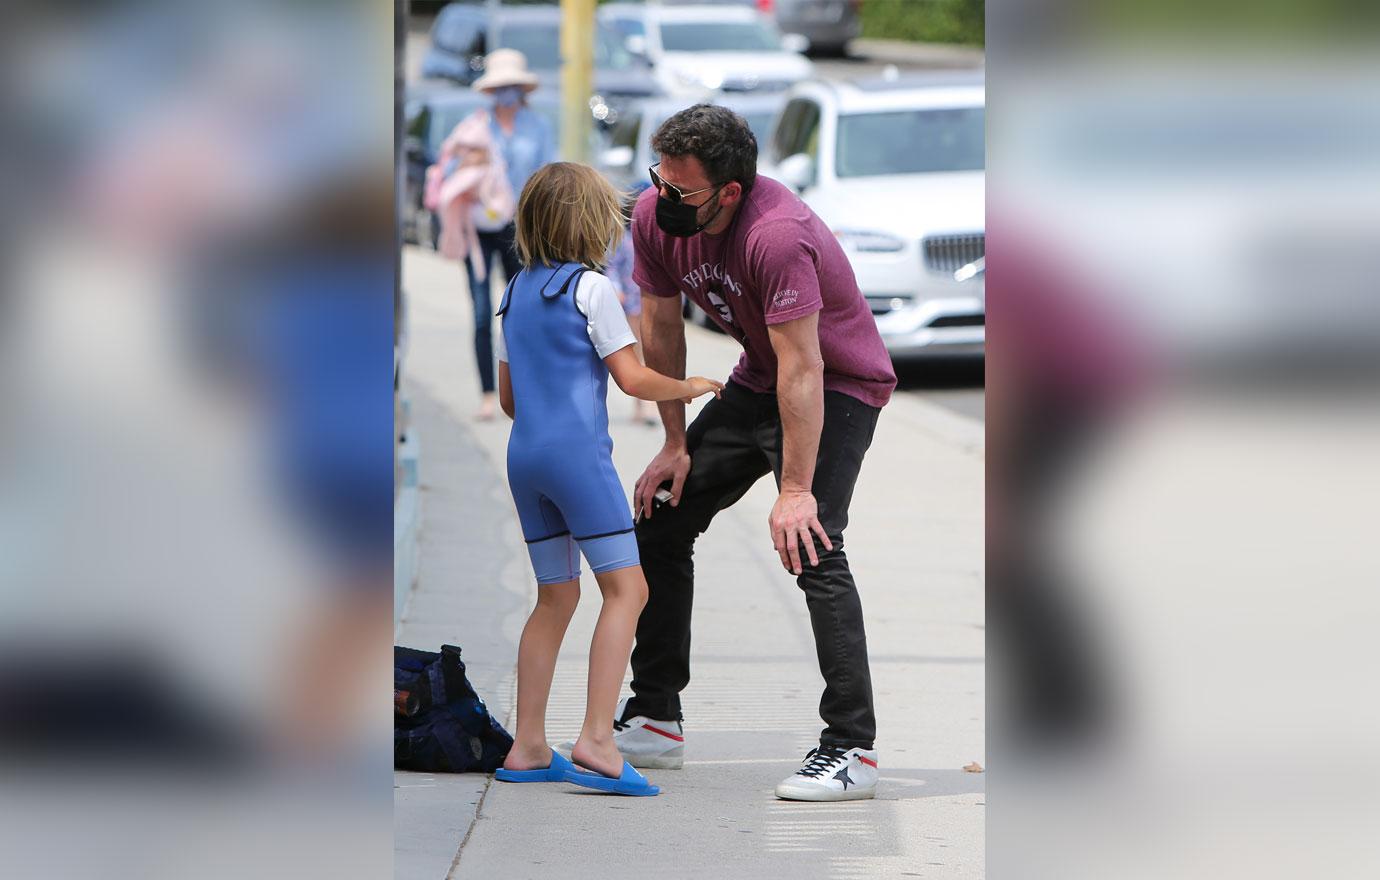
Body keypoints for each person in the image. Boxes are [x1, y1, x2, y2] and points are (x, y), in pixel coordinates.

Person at [599, 104, 899, 802]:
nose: (663, 200)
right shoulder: (652, 215)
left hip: (839, 384)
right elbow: (662, 327)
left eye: (683, 193)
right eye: (659, 181)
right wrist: (673, 442)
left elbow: (805, 369)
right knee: (662, 515)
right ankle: (656, 717)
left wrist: (795, 491)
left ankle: (851, 747)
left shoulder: (777, 235)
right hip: (759, 382)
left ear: (729, 192)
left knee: (812, 543)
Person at [491, 162, 723, 797]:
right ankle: (597, 737)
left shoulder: (512, 291)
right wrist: (691, 385)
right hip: (577, 460)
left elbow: (510, 398)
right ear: (592, 223)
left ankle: (528, 744)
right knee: (628, 591)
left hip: (524, 459)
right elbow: (633, 379)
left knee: (555, 597)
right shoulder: (589, 290)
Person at [468, 48, 556, 420]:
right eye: (500, 86)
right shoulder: (475, 125)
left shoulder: (537, 126)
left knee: (520, 309)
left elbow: (546, 177)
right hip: (480, 225)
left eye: (512, 86)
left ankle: (521, 389)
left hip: (519, 229)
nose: (506, 93)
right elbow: (454, 166)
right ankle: (489, 393)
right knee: (481, 312)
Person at [605, 206, 658, 424]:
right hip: (631, 303)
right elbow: (611, 266)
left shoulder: (656, 238)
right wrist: (615, 288)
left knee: (654, 350)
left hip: (654, 300)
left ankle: (650, 403)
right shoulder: (622, 239)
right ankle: (643, 404)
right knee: (638, 352)